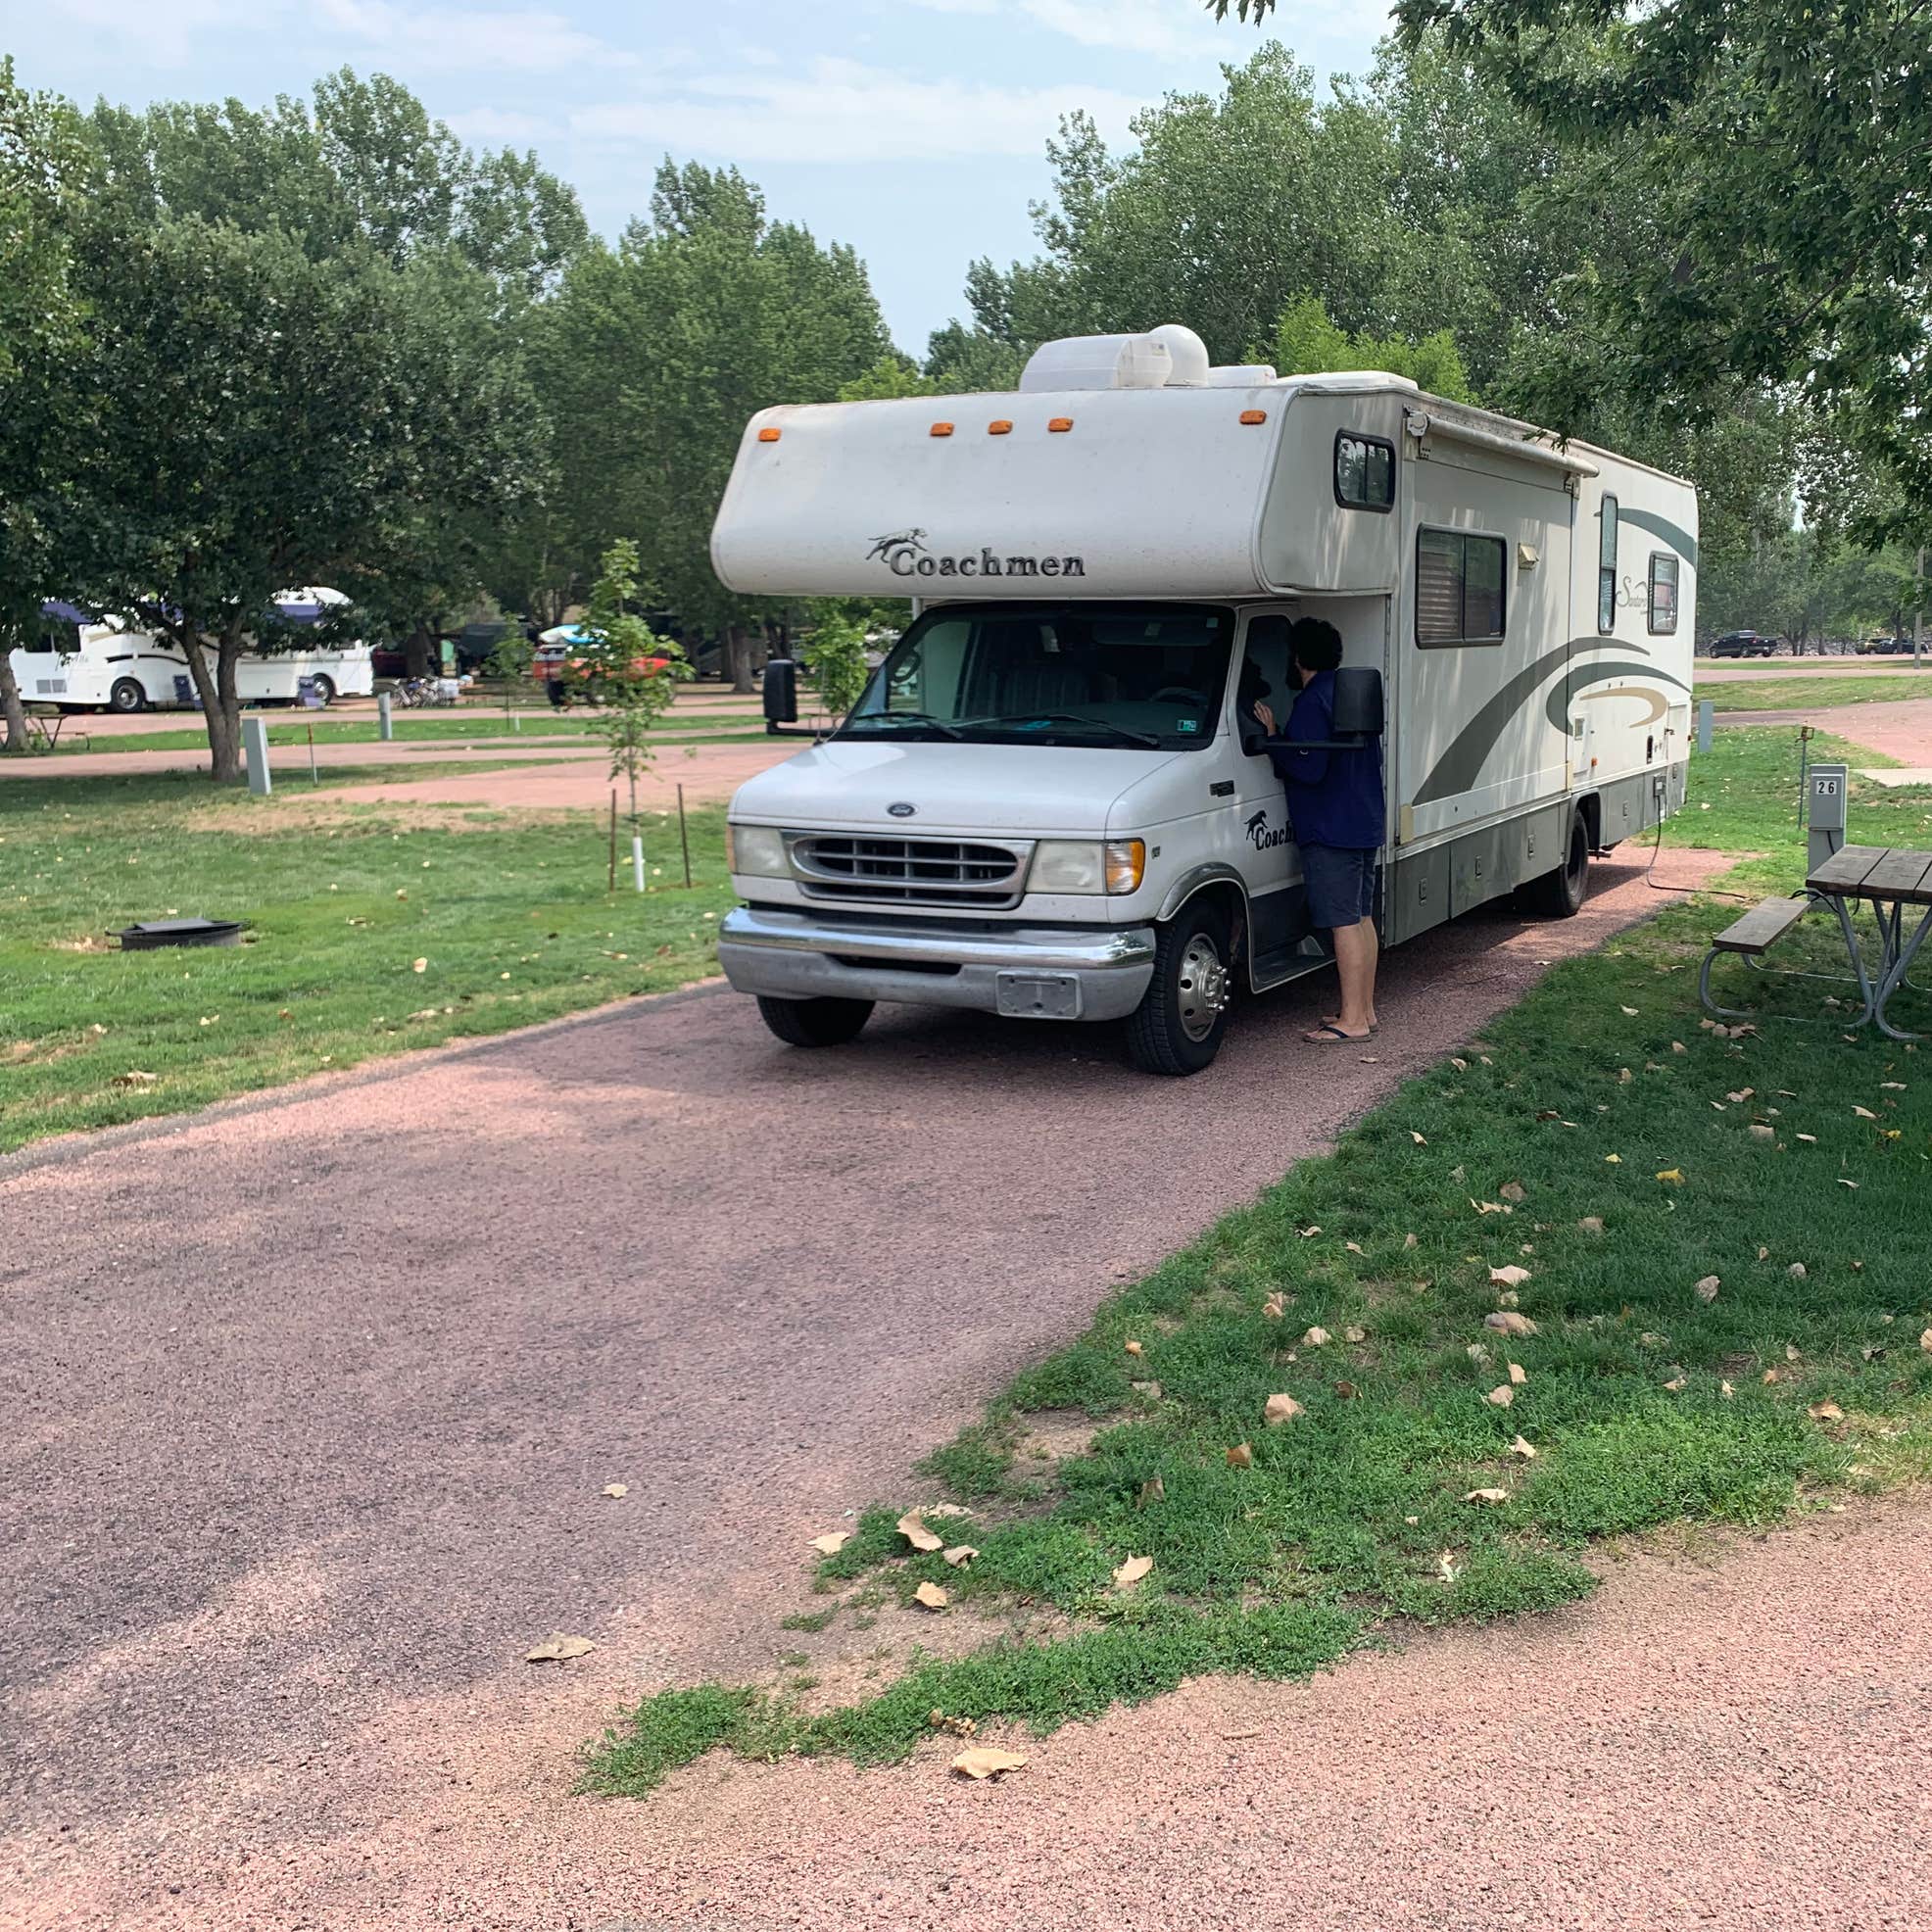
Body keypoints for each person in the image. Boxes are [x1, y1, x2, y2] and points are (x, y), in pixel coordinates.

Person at [1250, 617, 1384, 1043]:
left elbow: (1308, 767)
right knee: (1361, 917)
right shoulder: (1350, 696)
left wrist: (1272, 737)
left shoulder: (1311, 702)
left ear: (1297, 657)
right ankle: (1365, 1009)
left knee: (1342, 923)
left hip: (1330, 826)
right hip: (1363, 820)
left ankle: (1352, 1022)